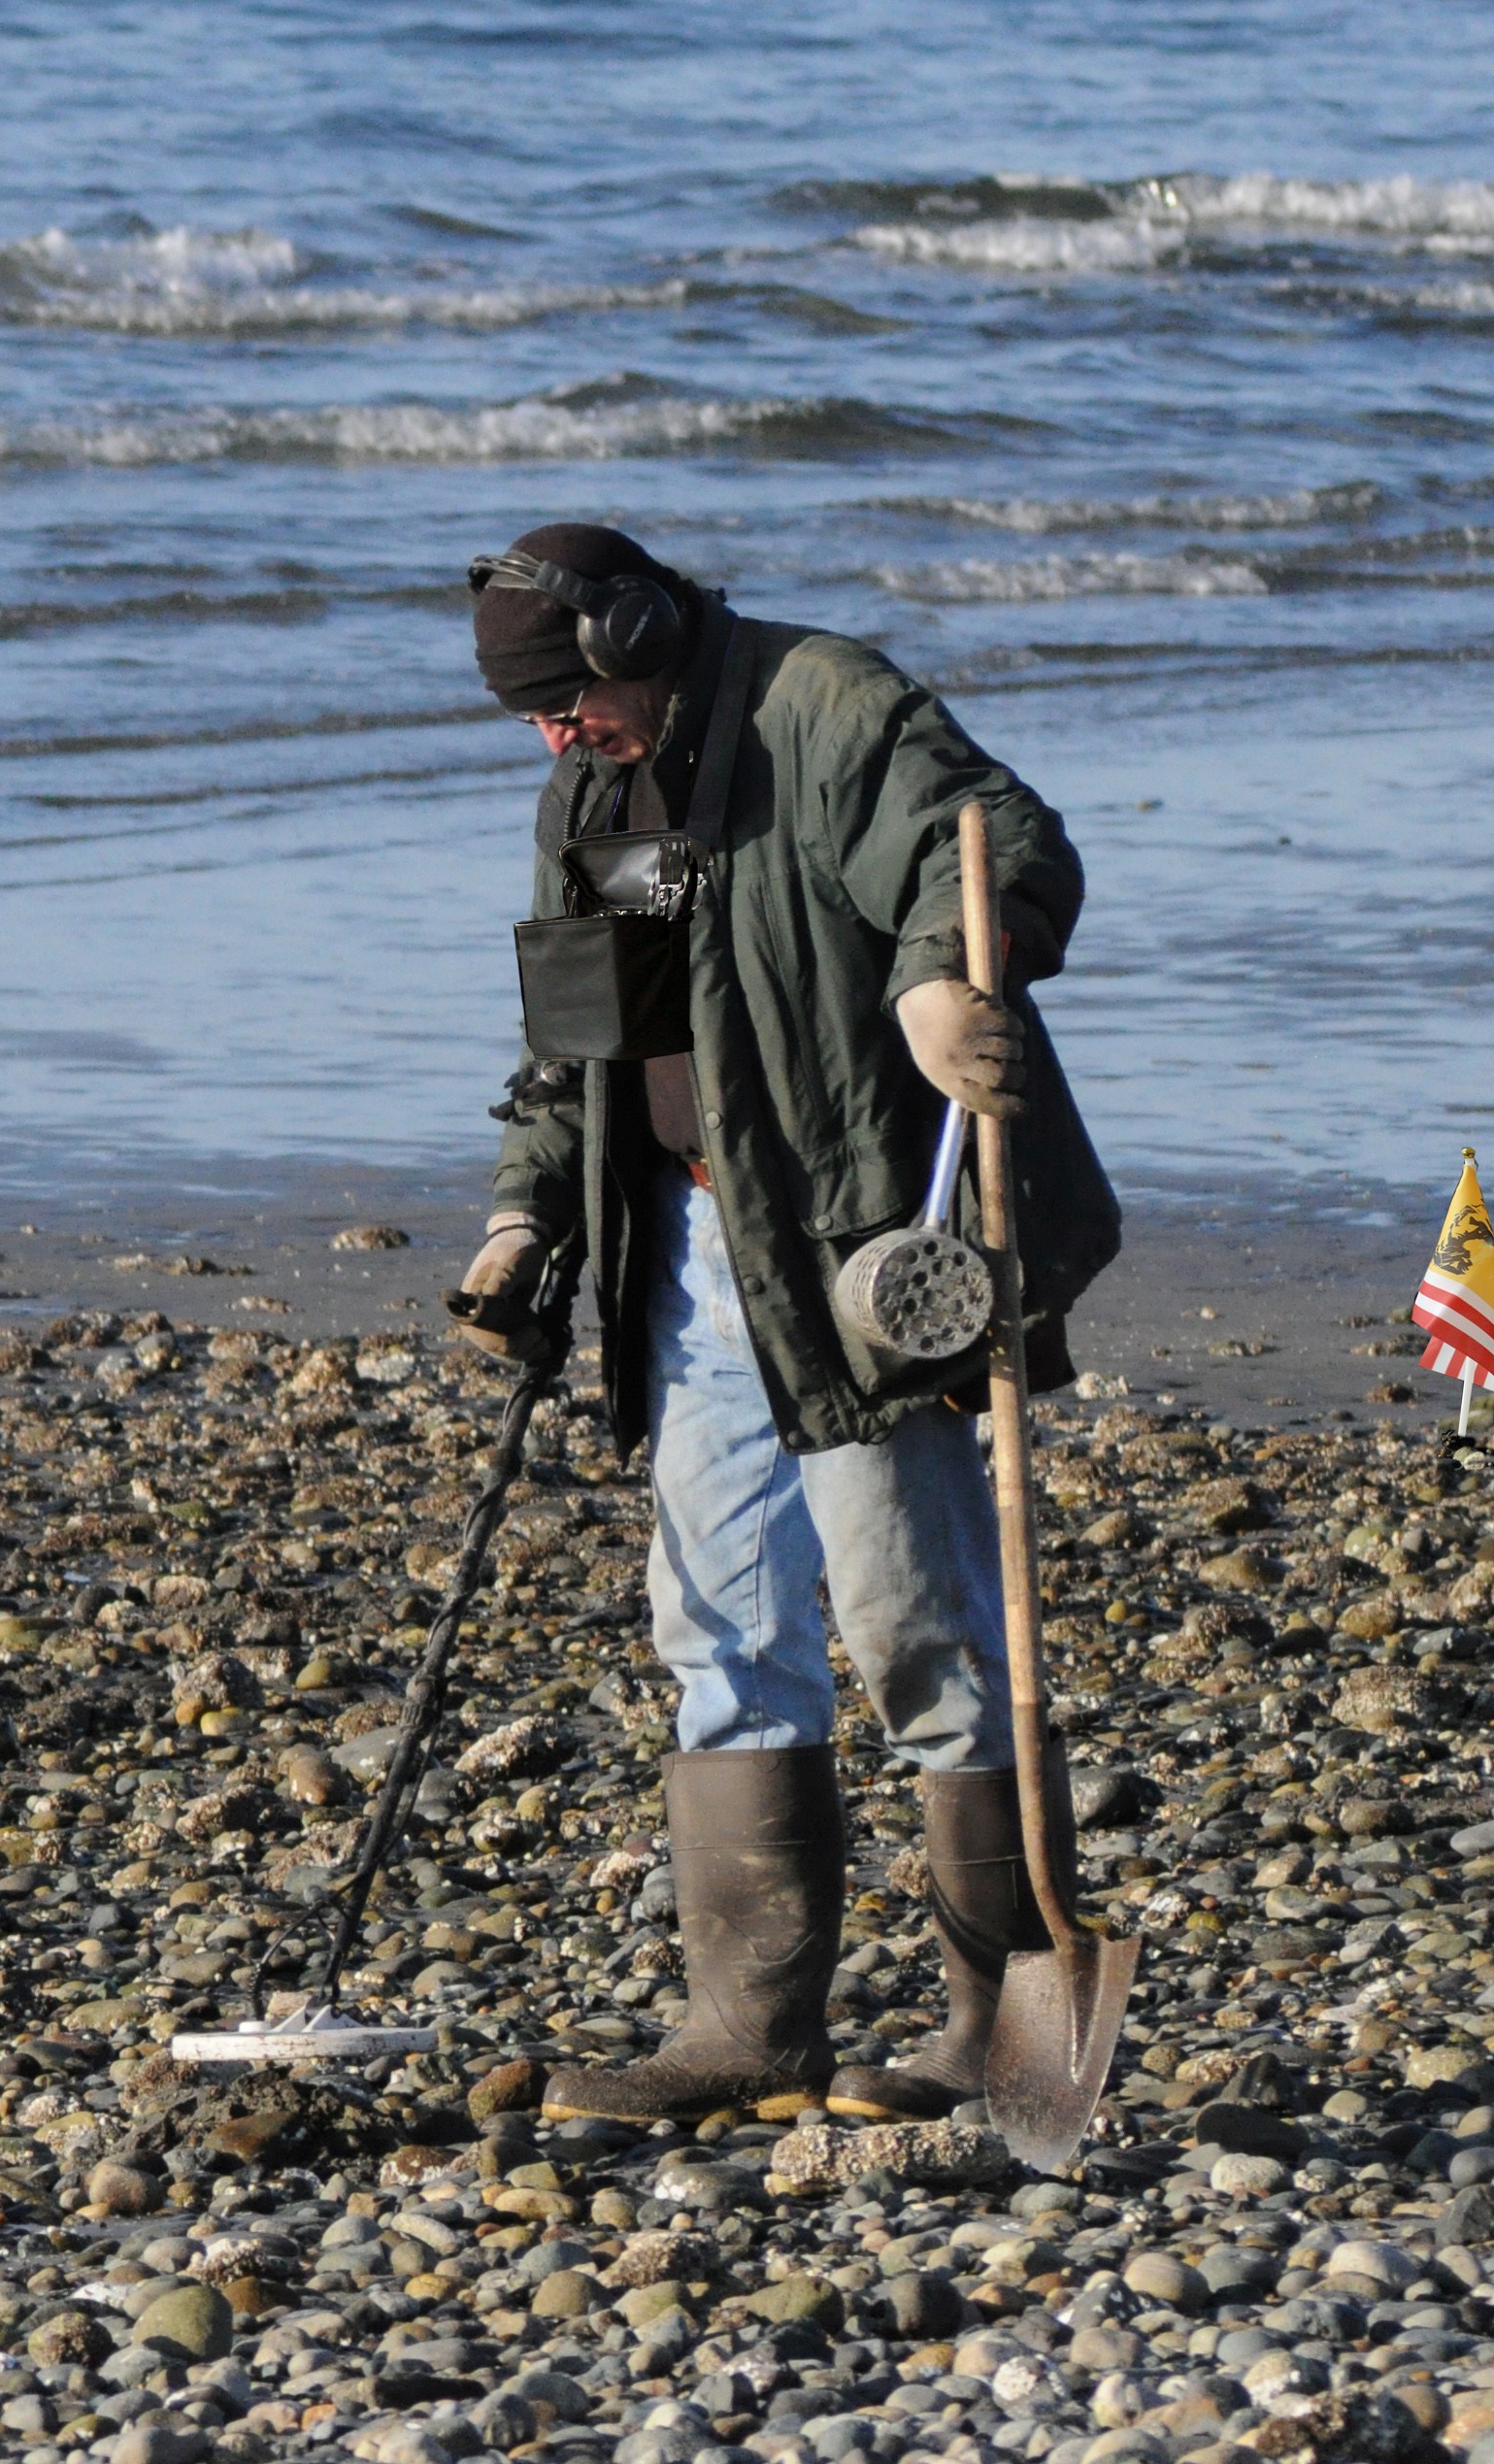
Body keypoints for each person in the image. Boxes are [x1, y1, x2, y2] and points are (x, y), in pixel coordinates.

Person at [449, 523, 1119, 2124]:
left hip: (862, 1240)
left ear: (634, 632)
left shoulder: (824, 706)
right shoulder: (591, 798)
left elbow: (999, 836)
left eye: (568, 703)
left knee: (922, 1627)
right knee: (720, 1627)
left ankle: (1023, 2048)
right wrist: (522, 1212)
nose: (557, 739)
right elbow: (574, 1044)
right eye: (536, 721)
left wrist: (944, 984)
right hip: (682, 1246)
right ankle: (750, 2026)